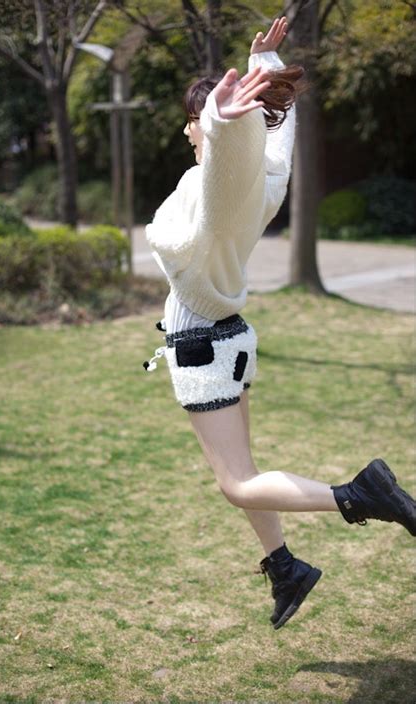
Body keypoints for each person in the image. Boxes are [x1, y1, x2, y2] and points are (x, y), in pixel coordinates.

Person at [143, 17, 416, 630]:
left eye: (195, 116)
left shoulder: (214, 182)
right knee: (246, 472)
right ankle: (285, 566)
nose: (189, 125)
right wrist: (265, 66)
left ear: (206, 126)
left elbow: (218, 176)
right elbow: (267, 146)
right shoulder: (264, 176)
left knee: (238, 484)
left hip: (201, 345)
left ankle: (359, 495)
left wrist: (220, 120)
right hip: (231, 338)